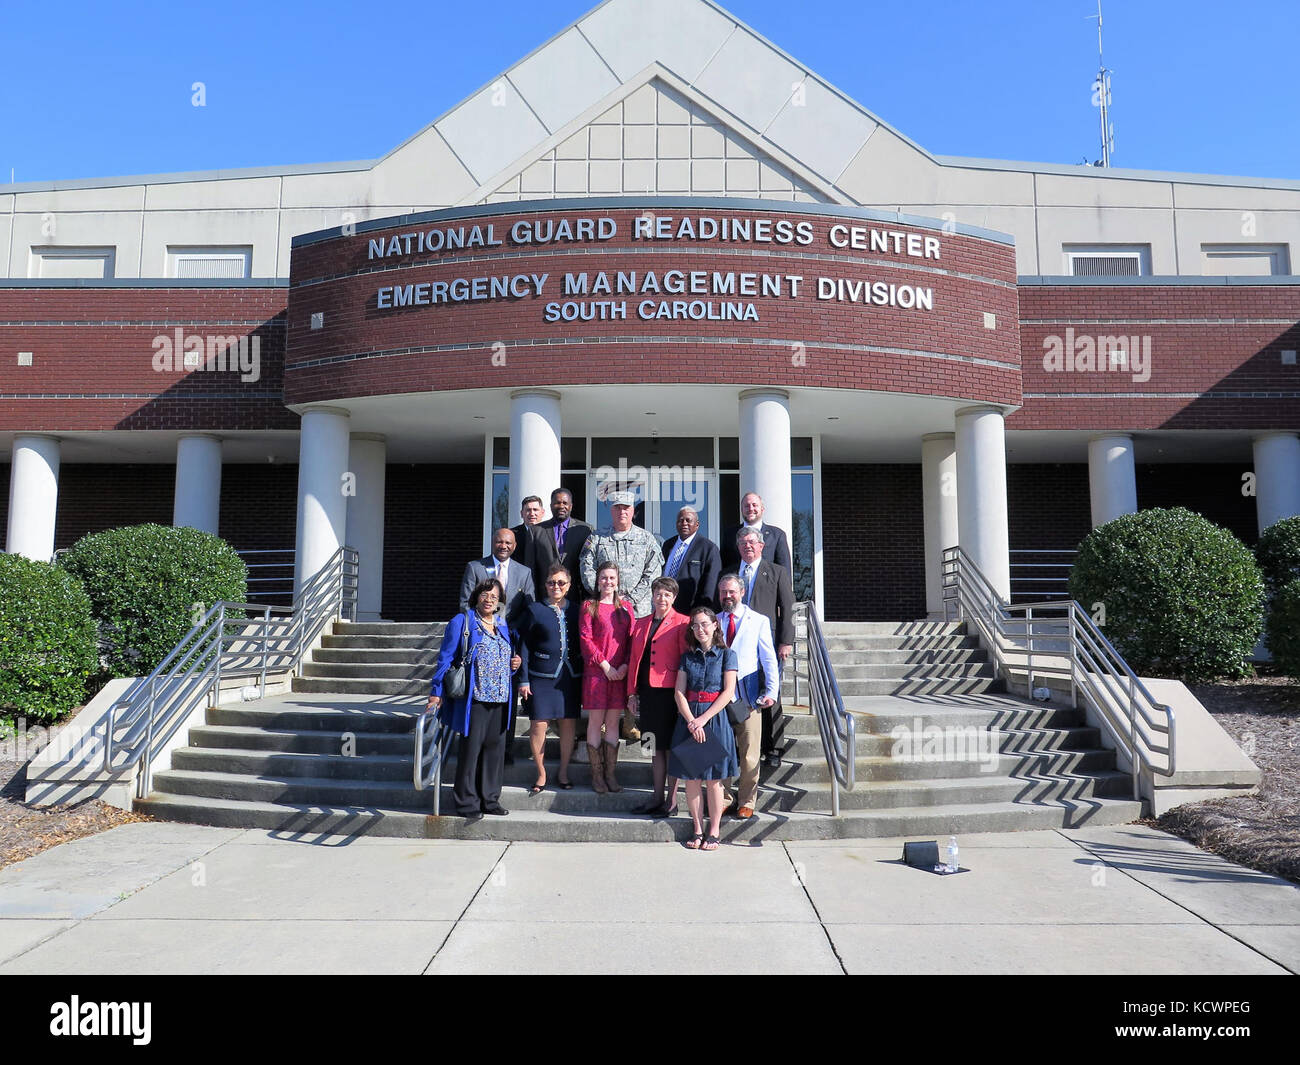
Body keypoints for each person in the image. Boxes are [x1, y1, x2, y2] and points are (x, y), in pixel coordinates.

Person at [427, 578, 519, 822]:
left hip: (500, 698)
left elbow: (504, 658)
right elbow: (445, 659)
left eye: (494, 596)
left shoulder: (501, 625)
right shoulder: (463, 621)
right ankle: (466, 801)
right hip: (474, 698)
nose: (489, 599)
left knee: (494, 751)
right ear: (477, 595)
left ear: (500, 601)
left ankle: (490, 799)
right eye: (485, 594)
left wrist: (514, 664)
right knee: (471, 751)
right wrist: (436, 692)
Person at [669, 606, 739, 851]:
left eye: (704, 624)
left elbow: (728, 691)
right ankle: (697, 828)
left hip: (714, 719)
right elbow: (679, 692)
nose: (700, 629)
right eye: (695, 625)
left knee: (713, 780)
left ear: (715, 625)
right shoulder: (687, 657)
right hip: (689, 718)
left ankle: (714, 831)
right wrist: (691, 720)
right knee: (691, 778)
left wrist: (703, 719)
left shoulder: (727, 655)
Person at [516, 563, 583, 793]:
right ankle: (541, 773)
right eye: (551, 582)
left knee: (568, 725)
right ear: (545, 585)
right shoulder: (535, 610)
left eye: (561, 582)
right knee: (538, 725)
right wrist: (523, 679)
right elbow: (523, 645)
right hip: (541, 676)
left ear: (569, 585)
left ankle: (563, 772)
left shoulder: (576, 610)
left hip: (570, 676)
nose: (556, 586)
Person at [716, 573, 779, 819]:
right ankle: (723, 797)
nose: (727, 596)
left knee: (750, 752)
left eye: (731, 591)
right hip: (719, 697)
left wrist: (771, 691)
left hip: (748, 696)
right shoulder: (714, 620)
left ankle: (747, 801)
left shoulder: (758, 621)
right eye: (723, 592)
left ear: (742, 592)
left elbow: (768, 659)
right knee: (721, 750)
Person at [626, 576, 689, 817]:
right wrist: (631, 693)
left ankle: (671, 801)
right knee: (653, 746)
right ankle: (656, 796)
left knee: (671, 747)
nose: (662, 598)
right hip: (647, 694)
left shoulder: (682, 623)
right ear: (652, 596)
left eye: (667, 595)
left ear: (674, 598)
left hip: (671, 694)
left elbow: (686, 660)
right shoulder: (641, 623)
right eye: (658, 593)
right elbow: (634, 660)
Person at [734, 527, 795, 768]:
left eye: (752, 542)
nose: (747, 546)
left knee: (770, 692)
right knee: (738, 692)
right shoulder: (730, 572)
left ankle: (774, 748)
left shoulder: (777, 572)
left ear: (761, 546)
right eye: (743, 543)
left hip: (767, 642)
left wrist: (786, 641)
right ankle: (747, 747)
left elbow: (787, 608)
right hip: (736, 642)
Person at [579, 560, 633, 793]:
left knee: (613, 723)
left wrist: (624, 667)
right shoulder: (589, 606)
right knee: (595, 722)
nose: (607, 582)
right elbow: (585, 639)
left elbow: (632, 639)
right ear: (597, 580)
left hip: (620, 673)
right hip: (597, 673)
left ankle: (611, 774)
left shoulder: (627, 608)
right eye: (603, 577)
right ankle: (597, 775)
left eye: (611, 577)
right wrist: (605, 666)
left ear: (618, 580)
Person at [580, 490, 663, 618]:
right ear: (612, 511)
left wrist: (629, 600)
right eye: (617, 508)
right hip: (605, 610)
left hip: (638, 612)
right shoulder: (597, 537)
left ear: (633, 511)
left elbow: (653, 573)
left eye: (626, 508)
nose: (622, 512)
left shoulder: (647, 539)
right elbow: (586, 567)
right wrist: (605, 594)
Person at [460, 527, 536, 626]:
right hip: (480, 630)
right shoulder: (475, 568)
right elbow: (465, 603)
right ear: (492, 543)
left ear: (514, 546)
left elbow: (529, 606)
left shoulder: (524, 573)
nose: (503, 546)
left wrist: (515, 629)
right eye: (499, 542)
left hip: (512, 633)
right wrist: (480, 626)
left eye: (508, 543)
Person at [661, 505, 722, 614]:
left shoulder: (708, 548)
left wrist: (702, 613)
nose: (684, 523)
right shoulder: (668, 545)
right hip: (665, 608)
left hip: (690, 611)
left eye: (688, 520)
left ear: (697, 525)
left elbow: (710, 586)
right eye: (681, 520)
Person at [720, 491, 793, 574]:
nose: (751, 509)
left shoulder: (777, 535)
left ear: (762, 509)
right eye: (746, 506)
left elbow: (784, 570)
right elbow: (723, 566)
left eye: (754, 505)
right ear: (742, 509)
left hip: (766, 586)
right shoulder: (729, 534)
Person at [539, 487, 591, 579]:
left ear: (571, 506)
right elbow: (530, 565)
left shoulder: (585, 530)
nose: (561, 506)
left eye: (565, 503)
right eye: (557, 503)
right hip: (545, 590)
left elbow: (589, 561)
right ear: (551, 505)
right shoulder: (536, 531)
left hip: (575, 590)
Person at [511, 494, 552, 594]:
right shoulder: (511, 535)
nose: (532, 513)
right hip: (518, 587)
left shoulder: (552, 534)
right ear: (522, 513)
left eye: (535, 510)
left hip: (544, 588)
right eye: (528, 510)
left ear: (542, 513)